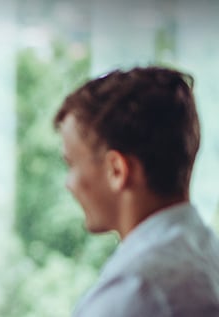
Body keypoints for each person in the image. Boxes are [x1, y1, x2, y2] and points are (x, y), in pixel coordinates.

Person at [56, 67, 219, 316]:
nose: (69, 183)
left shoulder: (133, 294)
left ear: (117, 170)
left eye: (72, 164)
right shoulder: (207, 255)